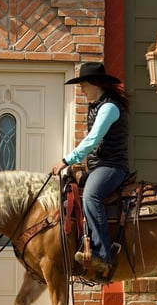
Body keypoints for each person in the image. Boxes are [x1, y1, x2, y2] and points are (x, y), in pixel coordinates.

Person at [52, 62, 130, 281]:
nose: (82, 89)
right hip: (98, 166)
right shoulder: (96, 105)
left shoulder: (109, 108)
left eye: (83, 85)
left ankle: (102, 253)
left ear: (95, 84)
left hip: (112, 166)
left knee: (91, 195)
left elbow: (93, 139)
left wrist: (67, 160)